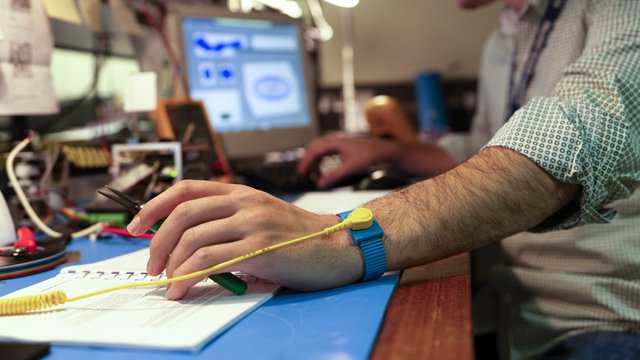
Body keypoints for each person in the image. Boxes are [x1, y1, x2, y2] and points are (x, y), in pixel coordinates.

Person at [127, 0, 640, 358]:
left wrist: (341, 237)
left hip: (600, 320)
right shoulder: (505, 35)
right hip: (509, 305)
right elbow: (489, 148)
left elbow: (578, 136)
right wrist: (386, 150)